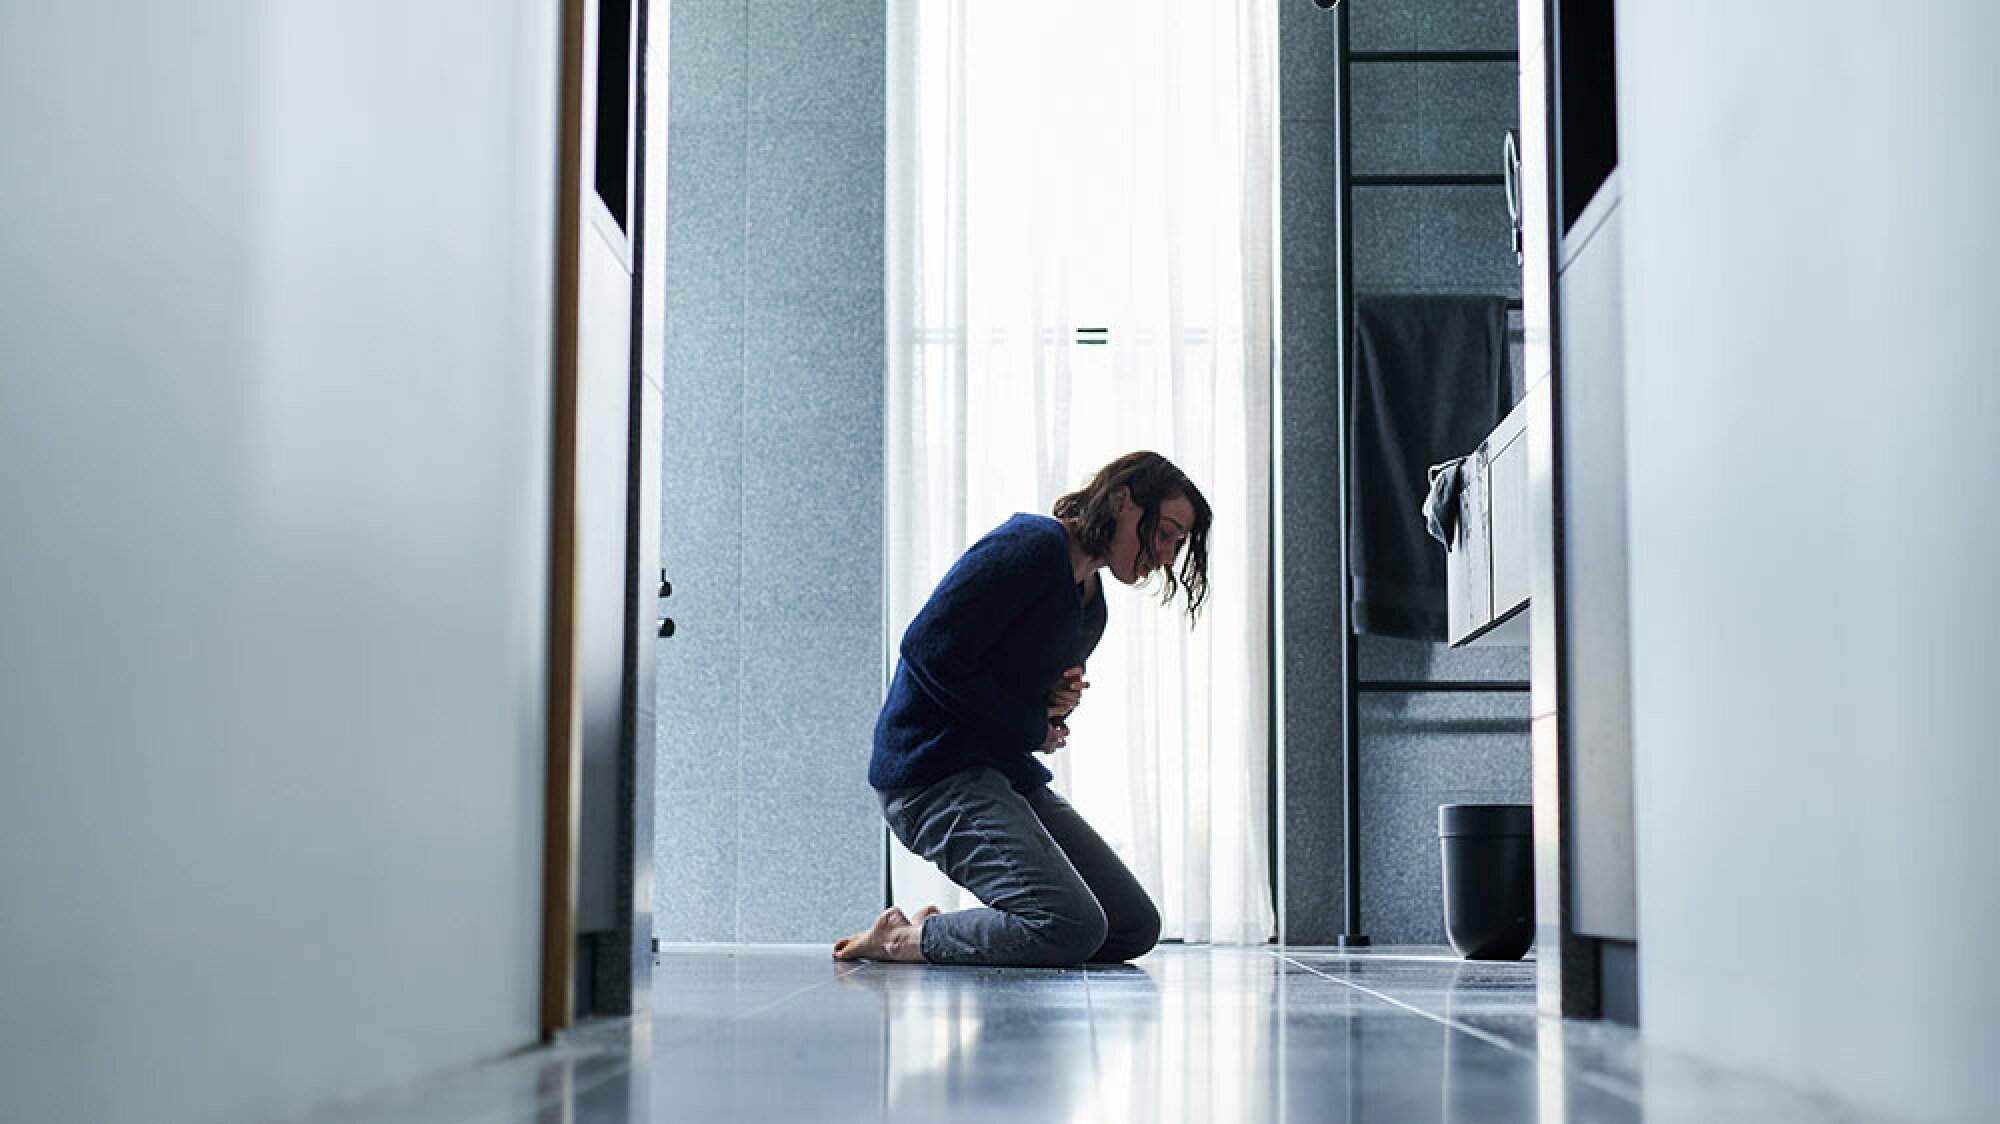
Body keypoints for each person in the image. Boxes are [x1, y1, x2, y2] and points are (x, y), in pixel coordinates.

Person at [833, 451, 1212, 967]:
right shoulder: (1033, 545)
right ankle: (903, 939)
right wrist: (1033, 725)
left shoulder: (1091, 603)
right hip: (932, 775)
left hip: (1003, 773)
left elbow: (1015, 691)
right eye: (1166, 532)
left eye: (1179, 542)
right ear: (1123, 500)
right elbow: (927, 648)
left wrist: (1053, 710)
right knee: (1070, 924)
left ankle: (951, 929)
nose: (1168, 555)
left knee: (1132, 926)